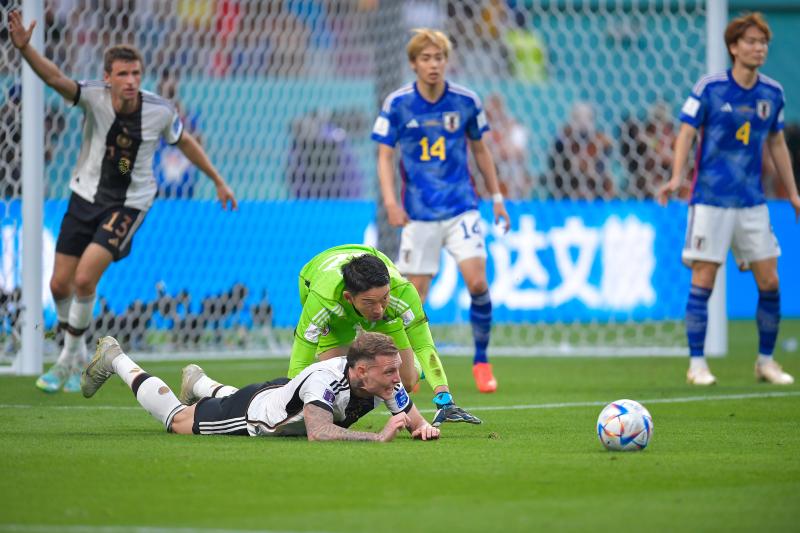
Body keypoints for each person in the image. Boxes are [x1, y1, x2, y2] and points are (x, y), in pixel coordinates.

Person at [7, 10, 238, 393]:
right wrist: (25, 48)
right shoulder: (92, 98)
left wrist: (218, 180)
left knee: (84, 278)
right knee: (59, 284)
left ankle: (66, 361)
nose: (131, 82)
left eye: (136, 74)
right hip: (84, 195)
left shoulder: (159, 111)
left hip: (129, 203)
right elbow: (54, 78)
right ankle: (78, 349)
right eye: (123, 75)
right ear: (108, 77)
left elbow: (185, 141)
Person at [657, 12, 800, 386]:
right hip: (710, 200)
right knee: (704, 278)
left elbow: (776, 143)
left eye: (763, 42)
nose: (759, 48)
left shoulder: (772, 93)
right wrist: (676, 177)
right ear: (734, 47)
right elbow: (686, 133)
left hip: (752, 202)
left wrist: (794, 192)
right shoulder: (710, 88)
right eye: (751, 41)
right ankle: (697, 364)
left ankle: (766, 361)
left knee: (770, 281)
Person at [371, 28, 510, 394]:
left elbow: (481, 150)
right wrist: (390, 202)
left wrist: (496, 195)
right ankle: (410, 364)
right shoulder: (398, 103)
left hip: (462, 206)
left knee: (478, 282)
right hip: (419, 213)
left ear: (447, 61)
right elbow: (385, 156)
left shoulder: (466, 101)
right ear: (414, 63)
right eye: (426, 58)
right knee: (411, 298)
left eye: (439, 58)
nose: (433, 65)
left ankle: (481, 359)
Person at [82, 333, 440, 442]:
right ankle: (116, 359)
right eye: (391, 371)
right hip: (254, 416)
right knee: (177, 420)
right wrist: (377, 437)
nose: (400, 377)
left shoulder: (382, 383)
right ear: (361, 371)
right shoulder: (324, 381)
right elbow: (317, 432)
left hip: (282, 394)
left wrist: (423, 427)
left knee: (270, 397)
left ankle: (200, 383)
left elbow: (412, 419)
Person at [287, 244, 481, 427]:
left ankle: (416, 368)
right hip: (333, 314)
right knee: (341, 382)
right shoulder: (322, 300)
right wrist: (289, 405)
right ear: (348, 297)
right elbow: (300, 359)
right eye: (370, 302)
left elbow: (423, 345)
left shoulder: (401, 293)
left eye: (384, 298)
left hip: (376, 301)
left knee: (407, 382)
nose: (379, 309)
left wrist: (444, 398)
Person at [546, 101, 614, 200]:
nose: (583, 121)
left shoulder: (599, 139)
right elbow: (555, 160)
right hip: (569, 182)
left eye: (587, 117)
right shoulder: (564, 138)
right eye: (578, 117)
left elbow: (608, 147)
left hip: (593, 182)